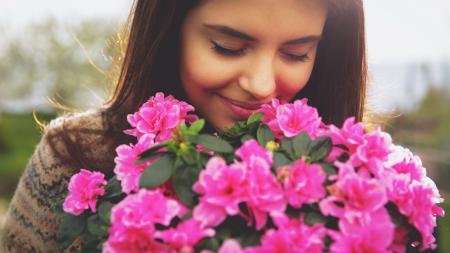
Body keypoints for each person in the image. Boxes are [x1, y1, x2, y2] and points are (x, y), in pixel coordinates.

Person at [0, 0, 367, 252]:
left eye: (295, 54)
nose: (262, 84)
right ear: (169, 32)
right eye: (227, 46)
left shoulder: (356, 176)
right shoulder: (72, 155)